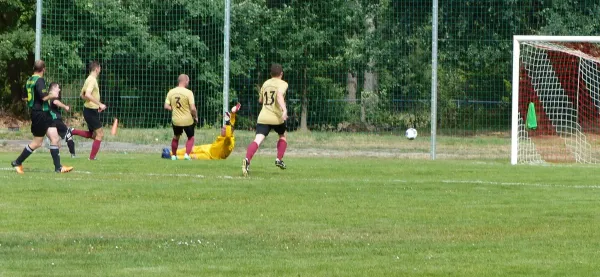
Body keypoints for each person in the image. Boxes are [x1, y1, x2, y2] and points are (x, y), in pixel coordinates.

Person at [11, 60, 73, 174]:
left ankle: (58, 168)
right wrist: (52, 95)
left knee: (55, 138)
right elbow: (44, 97)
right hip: (40, 114)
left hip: (43, 113)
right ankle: (17, 162)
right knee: (37, 142)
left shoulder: (29, 80)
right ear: (43, 69)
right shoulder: (39, 80)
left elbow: (25, 97)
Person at [242, 63, 289, 177]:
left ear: (270, 74)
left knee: (257, 140)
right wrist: (284, 110)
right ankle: (278, 159)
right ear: (281, 74)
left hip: (263, 116)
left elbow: (260, 100)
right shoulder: (283, 83)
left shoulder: (266, 83)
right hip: (276, 117)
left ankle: (247, 160)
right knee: (282, 136)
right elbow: (279, 95)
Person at [161, 103, 240, 160]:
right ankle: (171, 152)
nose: (222, 129)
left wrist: (227, 122)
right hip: (209, 148)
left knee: (193, 156)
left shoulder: (229, 142)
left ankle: (171, 157)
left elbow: (229, 134)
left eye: (224, 129)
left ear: (228, 131)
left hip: (211, 157)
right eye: (222, 128)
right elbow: (231, 124)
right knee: (191, 149)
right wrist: (233, 112)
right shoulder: (227, 132)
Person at [68, 61, 106, 160]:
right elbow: (87, 94)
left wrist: (94, 104)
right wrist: (99, 104)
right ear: (97, 69)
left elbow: (82, 95)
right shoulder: (92, 80)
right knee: (100, 134)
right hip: (90, 111)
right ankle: (92, 158)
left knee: (94, 135)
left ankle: (73, 131)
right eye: (100, 68)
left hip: (90, 110)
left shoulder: (88, 79)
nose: (100, 70)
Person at [164, 74, 198, 160]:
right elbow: (193, 108)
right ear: (185, 81)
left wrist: (174, 108)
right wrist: (196, 116)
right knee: (191, 137)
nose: (188, 82)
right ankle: (187, 155)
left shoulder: (171, 92)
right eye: (188, 81)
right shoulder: (189, 93)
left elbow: (166, 106)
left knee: (176, 136)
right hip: (187, 120)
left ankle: (174, 156)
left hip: (176, 120)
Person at [48, 82, 76, 158]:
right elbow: (55, 102)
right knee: (69, 136)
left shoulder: (46, 96)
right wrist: (65, 106)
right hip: (56, 120)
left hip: (48, 121)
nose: (59, 89)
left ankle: (56, 155)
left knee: (55, 139)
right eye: (58, 87)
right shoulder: (53, 96)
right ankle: (73, 154)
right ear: (53, 88)